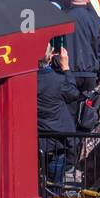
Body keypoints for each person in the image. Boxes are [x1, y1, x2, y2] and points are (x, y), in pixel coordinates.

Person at [37, 42, 80, 184]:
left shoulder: (28, 79)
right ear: (50, 56)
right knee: (55, 184)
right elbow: (73, 94)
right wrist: (66, 68)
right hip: (56, 140)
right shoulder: (57, 80)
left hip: (38, 137)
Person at [63, 0, 100, 91]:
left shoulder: (61, 19)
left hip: (67, 72)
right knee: (88, 102)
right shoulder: (96, 21)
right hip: (90, 74)